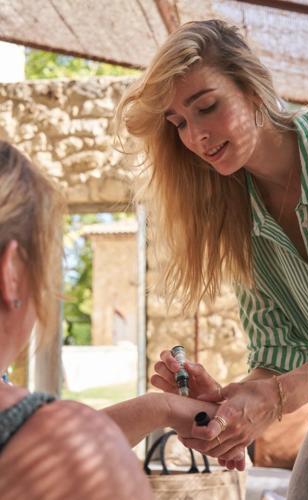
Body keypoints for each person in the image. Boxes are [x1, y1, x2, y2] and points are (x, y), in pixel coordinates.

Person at [115, 18, 308, 499]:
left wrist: (280, 396)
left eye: (207, 107)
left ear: (252, 89)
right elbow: (278, 348)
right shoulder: (234, 213)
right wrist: (232, 402)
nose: (196, 136)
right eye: (179, 123)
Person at [0, 141, 217, 500]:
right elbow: (68, 452)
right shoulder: (77, 454)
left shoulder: (52, 439)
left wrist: (160, 408)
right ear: (11, 273)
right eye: (44, 263)